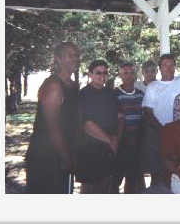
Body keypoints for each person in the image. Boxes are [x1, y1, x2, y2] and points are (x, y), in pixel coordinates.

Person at [25, 42, 80, 193]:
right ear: (58, 59)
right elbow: (52, 126)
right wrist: (67, 157)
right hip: (46, 157)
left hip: (62, 154)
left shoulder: (72, 85)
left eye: (77, 55)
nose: (75, 58)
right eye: (70, 55)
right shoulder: (54, 86)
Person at [141, 54, 180, 186]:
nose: (168, 68)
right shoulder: (153, 86)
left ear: (175, 67)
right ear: (160, 68)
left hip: (179, 135)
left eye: (171, 65)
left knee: (178, 172)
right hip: (158, 135)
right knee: (157, 172)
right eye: (165, 65)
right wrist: (163, 131)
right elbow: (148, 112)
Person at [75, 60, 123, 194]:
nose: (102, 76)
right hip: (90, 150)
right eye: (98, 73)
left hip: (109, 149)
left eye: (105, 73)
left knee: (105, 186)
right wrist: (110, 140)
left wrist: (116, 138)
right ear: (90, 74)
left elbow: (120, 117)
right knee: (89, 189)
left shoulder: (110, 93)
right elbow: (88, 125)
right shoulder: (84, 95)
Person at [113, 62, 146, 194]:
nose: (129, 76)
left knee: (134, 178)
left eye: (132, 73)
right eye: (125, 73)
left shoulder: (140, 94)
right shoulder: (114, 94)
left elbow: (143, 117)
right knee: (115, 179)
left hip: (136, 141)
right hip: (121, 141)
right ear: (120, 75)